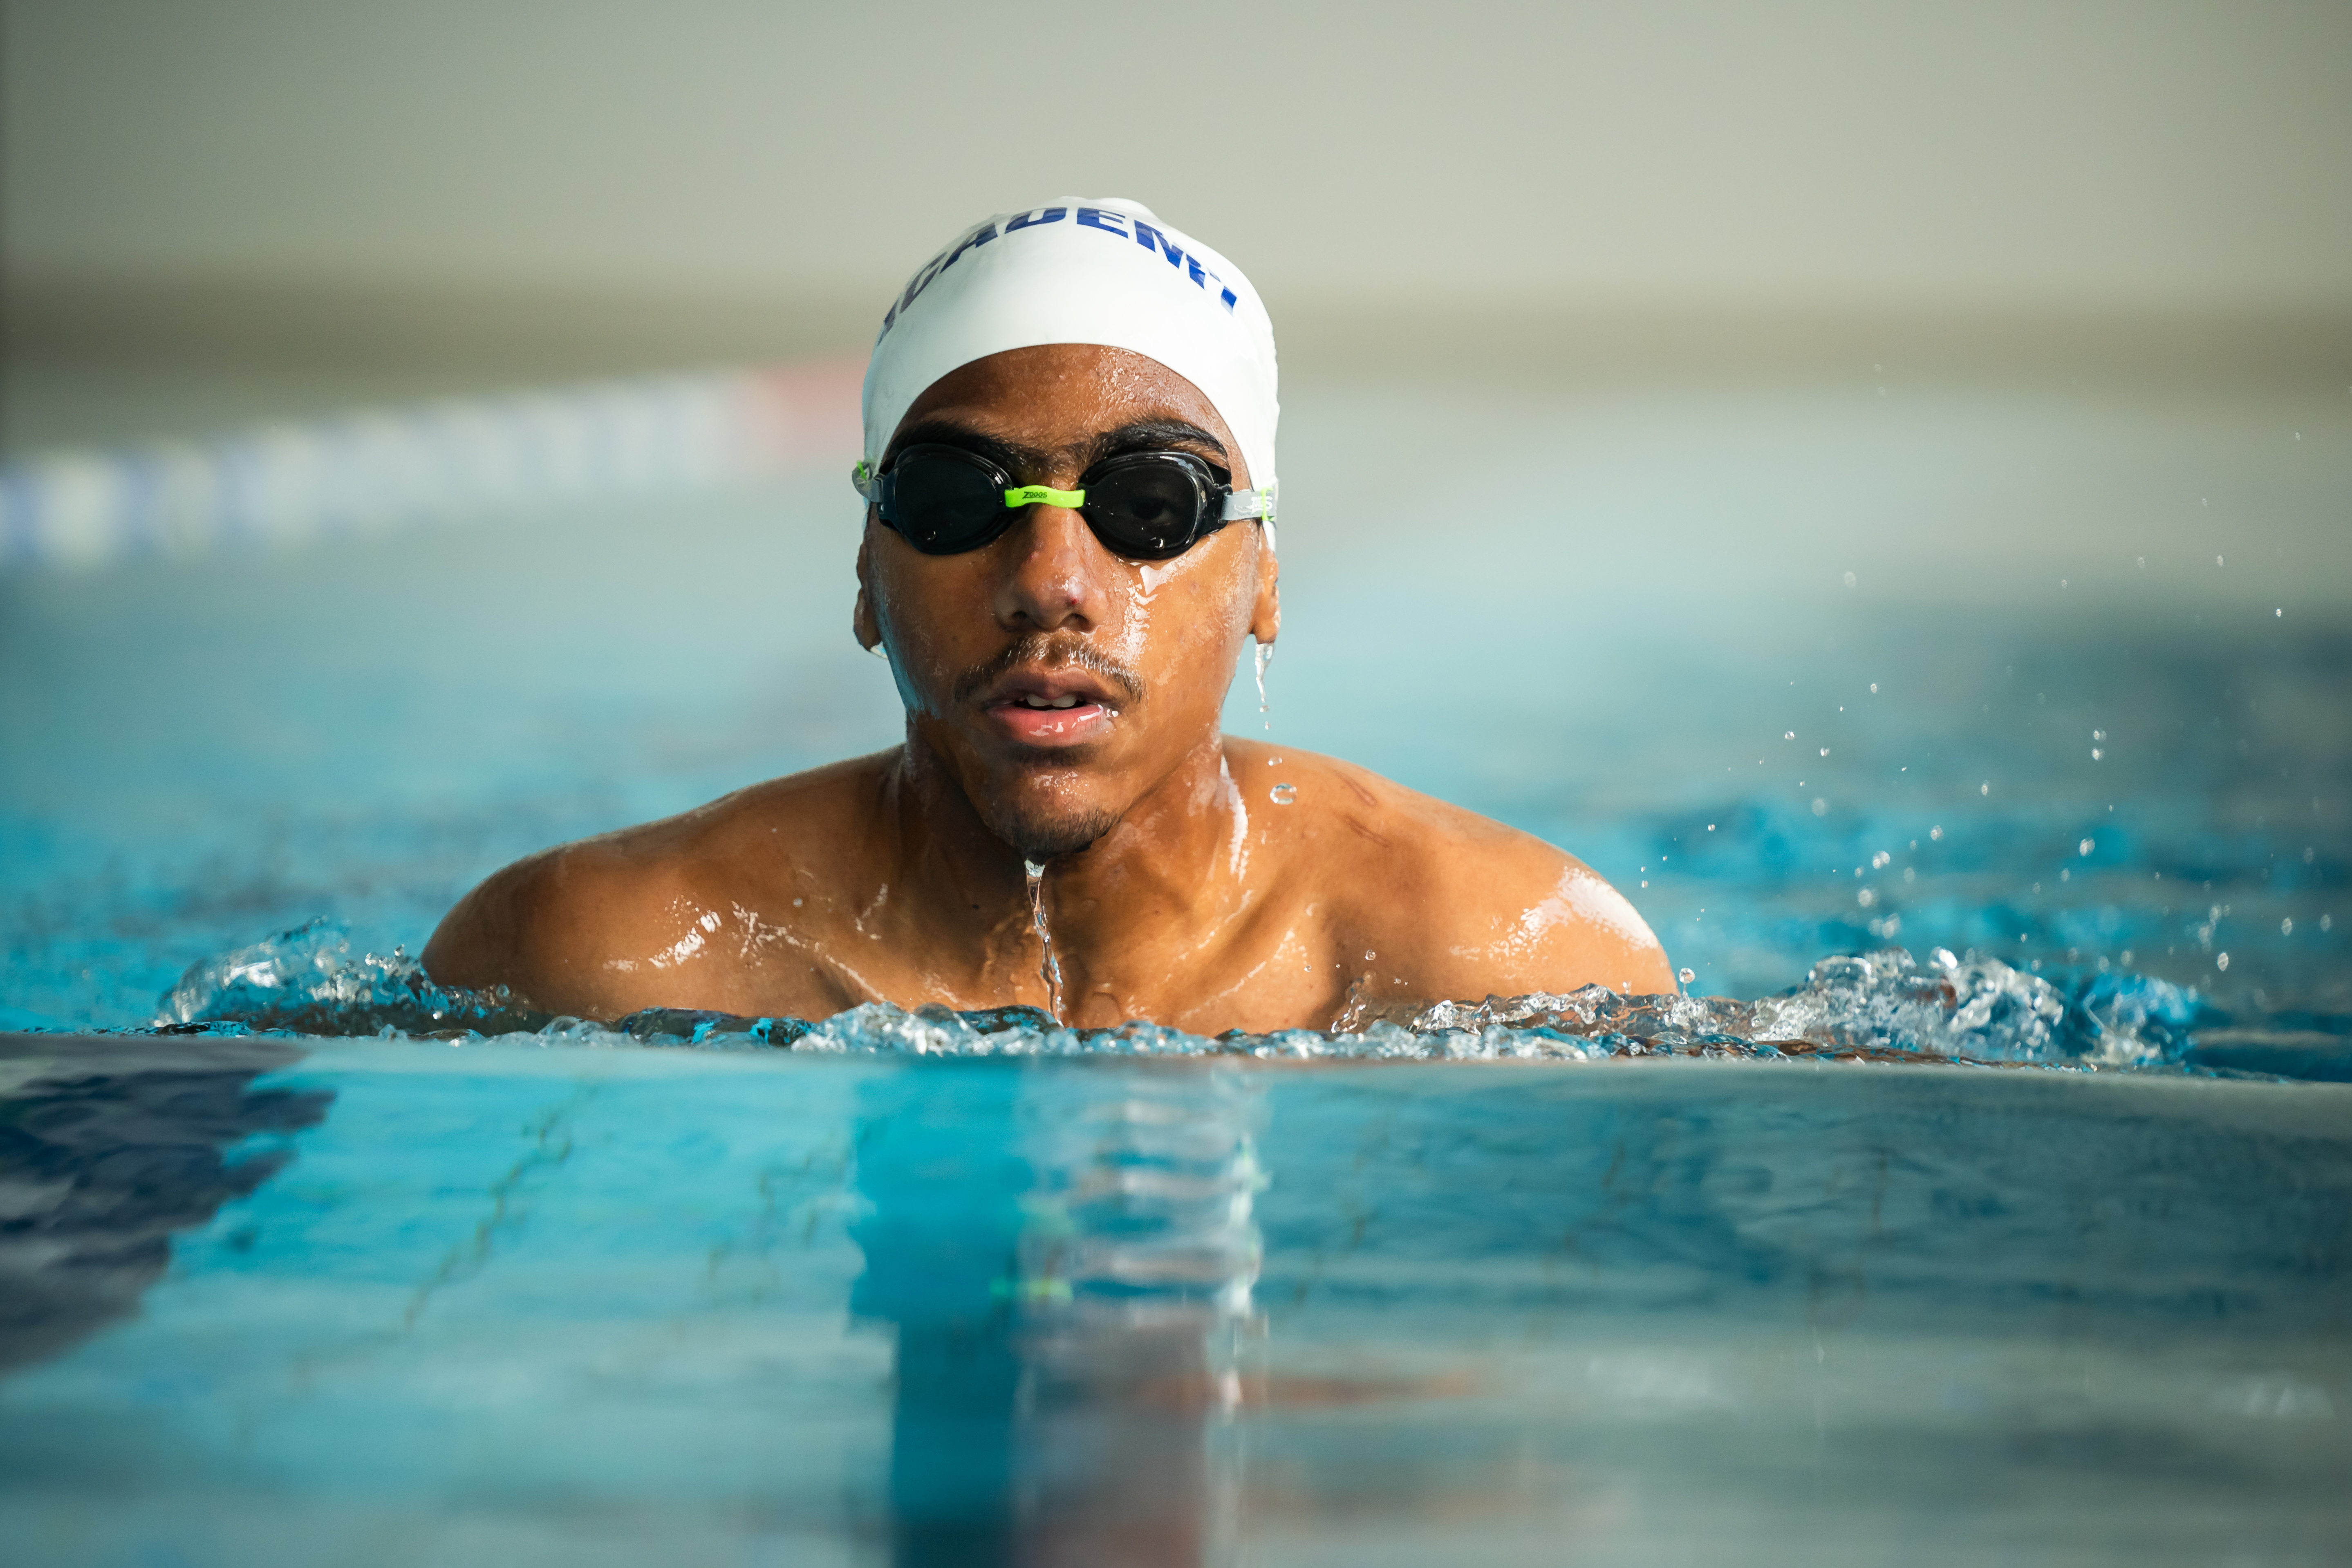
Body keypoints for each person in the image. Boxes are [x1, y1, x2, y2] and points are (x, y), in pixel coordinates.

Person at [422, 199, 1673, 1031]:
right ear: (865, 570)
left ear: (1264, 577)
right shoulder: (594, 952)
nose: (1050, 579)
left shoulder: (1508, 956)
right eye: (956, 498)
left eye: (1149, 503)